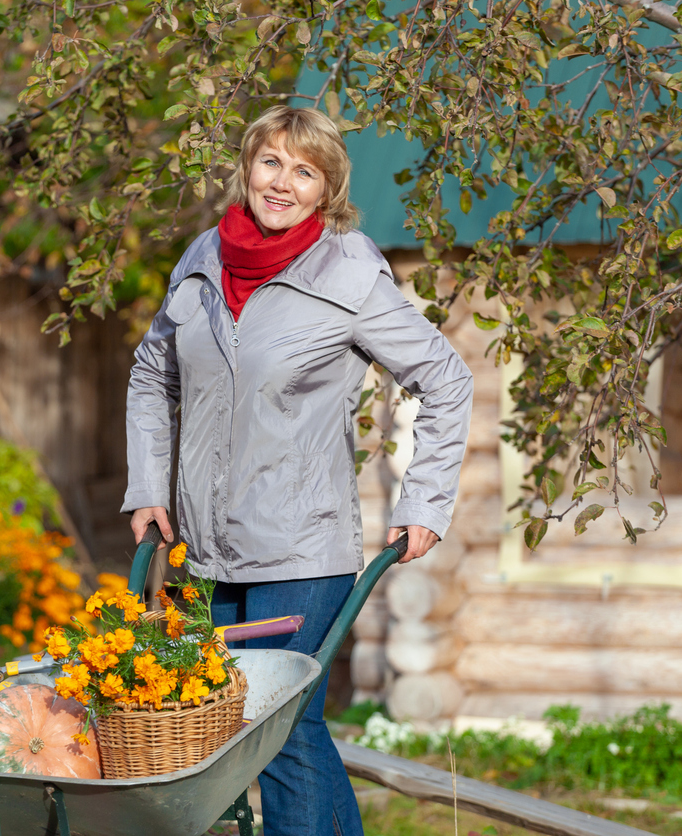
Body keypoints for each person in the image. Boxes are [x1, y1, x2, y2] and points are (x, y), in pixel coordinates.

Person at [122, 106, 473, 836]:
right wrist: (149, 485)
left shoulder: (349, 272)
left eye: (303, 171)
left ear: (326, 189)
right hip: (208, 549)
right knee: (242, 725)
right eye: (271, 163)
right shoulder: (202, 260)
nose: (282, 183)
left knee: (278, 725)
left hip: (302, 548)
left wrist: (425, 503)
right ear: (247, 168)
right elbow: (152, 372)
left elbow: (446, 378)